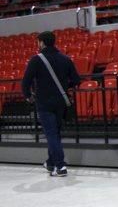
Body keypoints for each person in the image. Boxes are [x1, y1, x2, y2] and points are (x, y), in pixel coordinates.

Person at [21, 31, 81, 177]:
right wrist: (64, 86)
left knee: (51, 134)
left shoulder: (36, 60)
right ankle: (50, 163)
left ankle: (60, 166)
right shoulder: (65, 59)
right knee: (55, 134)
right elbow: (76, 80)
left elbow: (26, 82)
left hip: (44, 103)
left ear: (41, 42)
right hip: (61, 102)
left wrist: (28, 96)